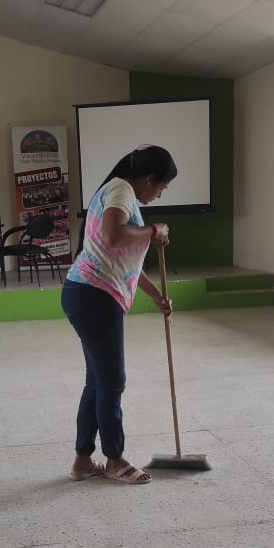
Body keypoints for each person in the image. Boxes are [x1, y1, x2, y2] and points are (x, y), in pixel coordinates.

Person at [61, 145, 177, 485]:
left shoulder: (118, 192)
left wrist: (156, 296)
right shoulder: (122, 190)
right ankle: (115, 459)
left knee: (98, 382)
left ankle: (83, 461)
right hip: (95, 296)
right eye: (161, 187)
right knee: (112, 382)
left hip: (86, 293)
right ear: (149, 179)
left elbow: (123, 262)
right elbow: (113, 236)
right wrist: (153, 230)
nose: (159, 194)